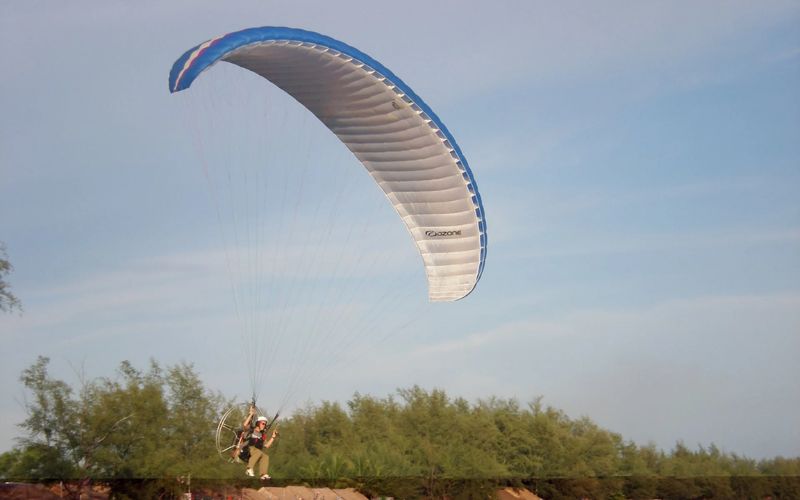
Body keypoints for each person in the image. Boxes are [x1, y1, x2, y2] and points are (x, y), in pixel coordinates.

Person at [241, 405, 278, 480]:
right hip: (246, 449)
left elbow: (267, 446)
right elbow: (245, 425)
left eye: (265, 424)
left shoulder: (262, 436)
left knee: (265, 456)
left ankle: (263, 474)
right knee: (258, 452)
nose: (264, 426)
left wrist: (273, 437)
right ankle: (249, 469)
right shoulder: (251, 430)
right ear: (258, 423)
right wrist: (251, 414)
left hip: (254, 453)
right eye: (263, 423)